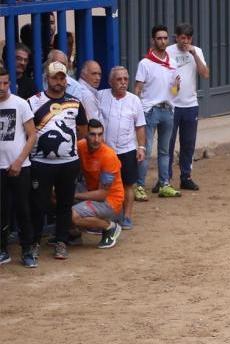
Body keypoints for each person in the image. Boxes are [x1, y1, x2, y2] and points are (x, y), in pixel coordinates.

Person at [29, 61, 84, 261]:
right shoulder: (33, 102)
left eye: (62, 77)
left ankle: (61, 241)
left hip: (68, 164)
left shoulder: (76, 102)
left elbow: (83, 131)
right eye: (54, 77)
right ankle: (34, 242)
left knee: (65, 204)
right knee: (38, 204)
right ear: (47, 78)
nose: (58, 81)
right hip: (40, 164)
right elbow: (27, 132)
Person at [134, 26, 182, 199]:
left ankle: (164, 184)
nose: (163, 41)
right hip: (149, 111)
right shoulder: (145, 63)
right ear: (153, 40)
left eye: (165, 38)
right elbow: (137, 89)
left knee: (164, 151)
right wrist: (137, 112)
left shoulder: (173, 63)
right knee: (144, 150)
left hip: (168, 110)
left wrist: (177, 87)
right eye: (159, 38)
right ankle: (139, 186)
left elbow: (175, 92)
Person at [97, 66, 146, 231]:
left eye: (125, 79)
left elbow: (140, 126)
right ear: (111, 82)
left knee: (128, 185)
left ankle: (127, 216)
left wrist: (141, 147)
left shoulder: (134, 100)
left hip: (127, 149)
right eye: (119, 79)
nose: (123, 83)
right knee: (105, 184)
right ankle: (107, 216)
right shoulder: (100, 96)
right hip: (107, 151)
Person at [0, 66, 36, 267]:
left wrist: (19, 161)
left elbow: (32, 135)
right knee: (1, 211)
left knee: (23, 209)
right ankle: (2, 249)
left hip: (20, 167)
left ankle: (27, 250)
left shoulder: (20, 104)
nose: (3, 87)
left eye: (6, 83)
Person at [165, 23, 208, 192]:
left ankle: (186, 176)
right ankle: (165, 178)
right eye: (182, 37)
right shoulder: (168, 51)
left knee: (188, 143)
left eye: (188, 38)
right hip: (172, 104)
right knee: (167, 143)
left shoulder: (196, 51)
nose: (185, 41)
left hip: (190, 105)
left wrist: (194, 54)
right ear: (176, 37)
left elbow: (205, 74)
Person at [72, 119, 124, 250]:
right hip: (91, 192)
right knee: (56, 195)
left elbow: (102, 194)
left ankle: (110, 227)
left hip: (110, 202)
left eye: (100, 135)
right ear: (85, 134)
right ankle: (73, 234)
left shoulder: (108, 156)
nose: (97, 139)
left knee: (72, 215)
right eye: (92, 134)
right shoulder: (80, 146)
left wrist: (75, 195)